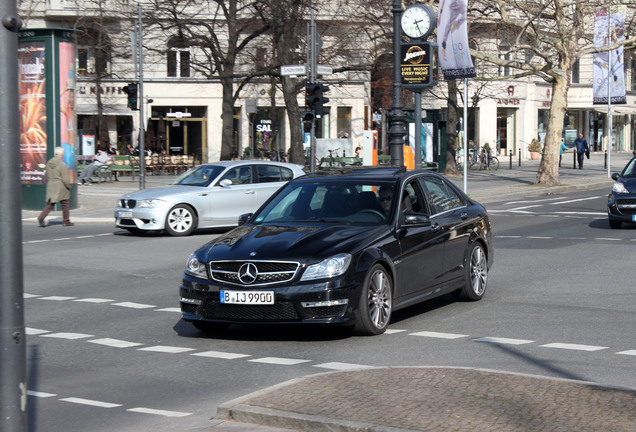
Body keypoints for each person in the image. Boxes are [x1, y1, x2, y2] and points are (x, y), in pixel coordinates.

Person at [38, 146, 73, 227]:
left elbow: (46, 174)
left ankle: (42, 217)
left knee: (50, 204)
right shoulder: (62, 164)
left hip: (51, 184)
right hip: (60, 185)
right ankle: (66, 221)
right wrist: (68, 186)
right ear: (62, 154)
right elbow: (65, 178)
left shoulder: (49, 163)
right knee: (65, 203)